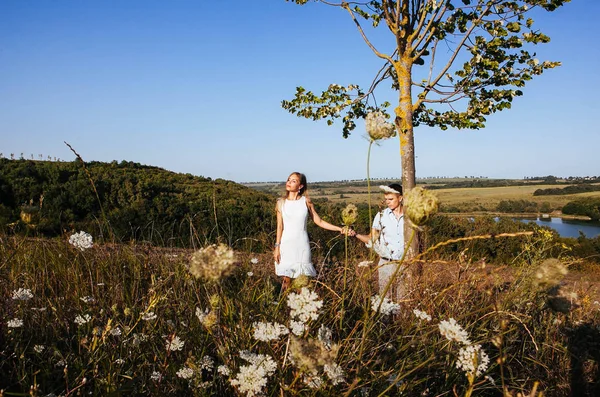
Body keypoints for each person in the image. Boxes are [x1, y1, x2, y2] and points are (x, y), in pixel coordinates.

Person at [274, 172, 348, 291]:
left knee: (302, 282)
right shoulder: (280, 203)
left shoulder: (306, 201)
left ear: (300, 186)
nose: (289, 182)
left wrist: (340, 229)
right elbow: (279, 227)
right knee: (286, 281)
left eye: (293, 181)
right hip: (286, 245)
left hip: (302, 245)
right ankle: (284, 308)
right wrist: (277, 247)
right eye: (288, 180)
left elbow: (319, 221)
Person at [354, 183, 406, 299]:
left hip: (405, 264)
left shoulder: (409, 216)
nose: (388, 202)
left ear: (400, 198)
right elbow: (372, 238)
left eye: (391, 199)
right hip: (385, 264)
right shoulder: (381, 216)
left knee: (403, 300)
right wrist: (356, 234)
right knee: (385, 299)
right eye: (386, 199)